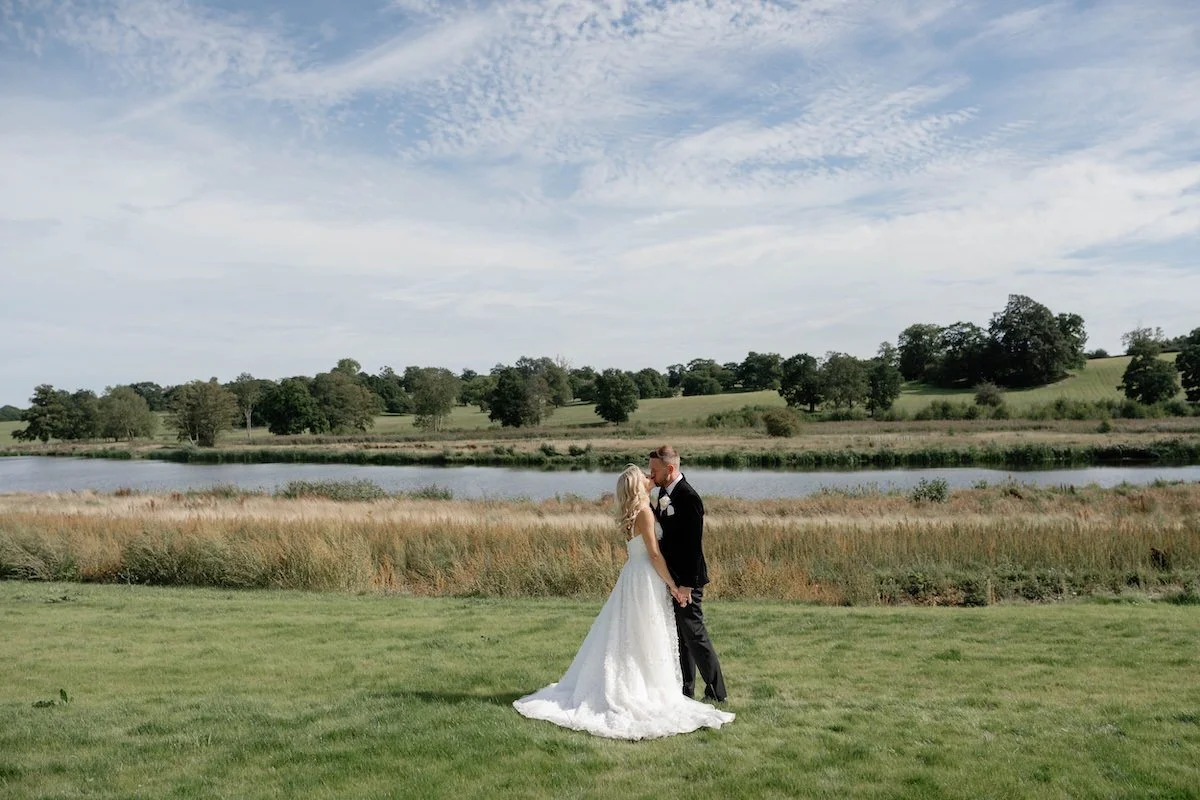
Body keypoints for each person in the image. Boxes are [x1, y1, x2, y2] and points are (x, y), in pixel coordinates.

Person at [512, 464, 734, 740]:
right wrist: (674, 585)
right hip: (645, 577)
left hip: (635, 576)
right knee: (644, 634)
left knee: (636, 633)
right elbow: (654, 554)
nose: (648, 476)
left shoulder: (640, 509)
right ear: (636, 486)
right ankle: (641, 688)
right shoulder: (643, 512)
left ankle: (650, 682)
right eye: (643, 475)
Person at [648, 444, 727, 702]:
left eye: (654, 470)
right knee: (682, 637)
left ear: (670, 468)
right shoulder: (662, 492)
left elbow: (694, 545)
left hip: (686, 580)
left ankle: (717, 693)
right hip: (672, 578)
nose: (651, 475)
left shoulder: (688, 497)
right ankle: (686, 689)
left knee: (694, 633)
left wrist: (686, 586)